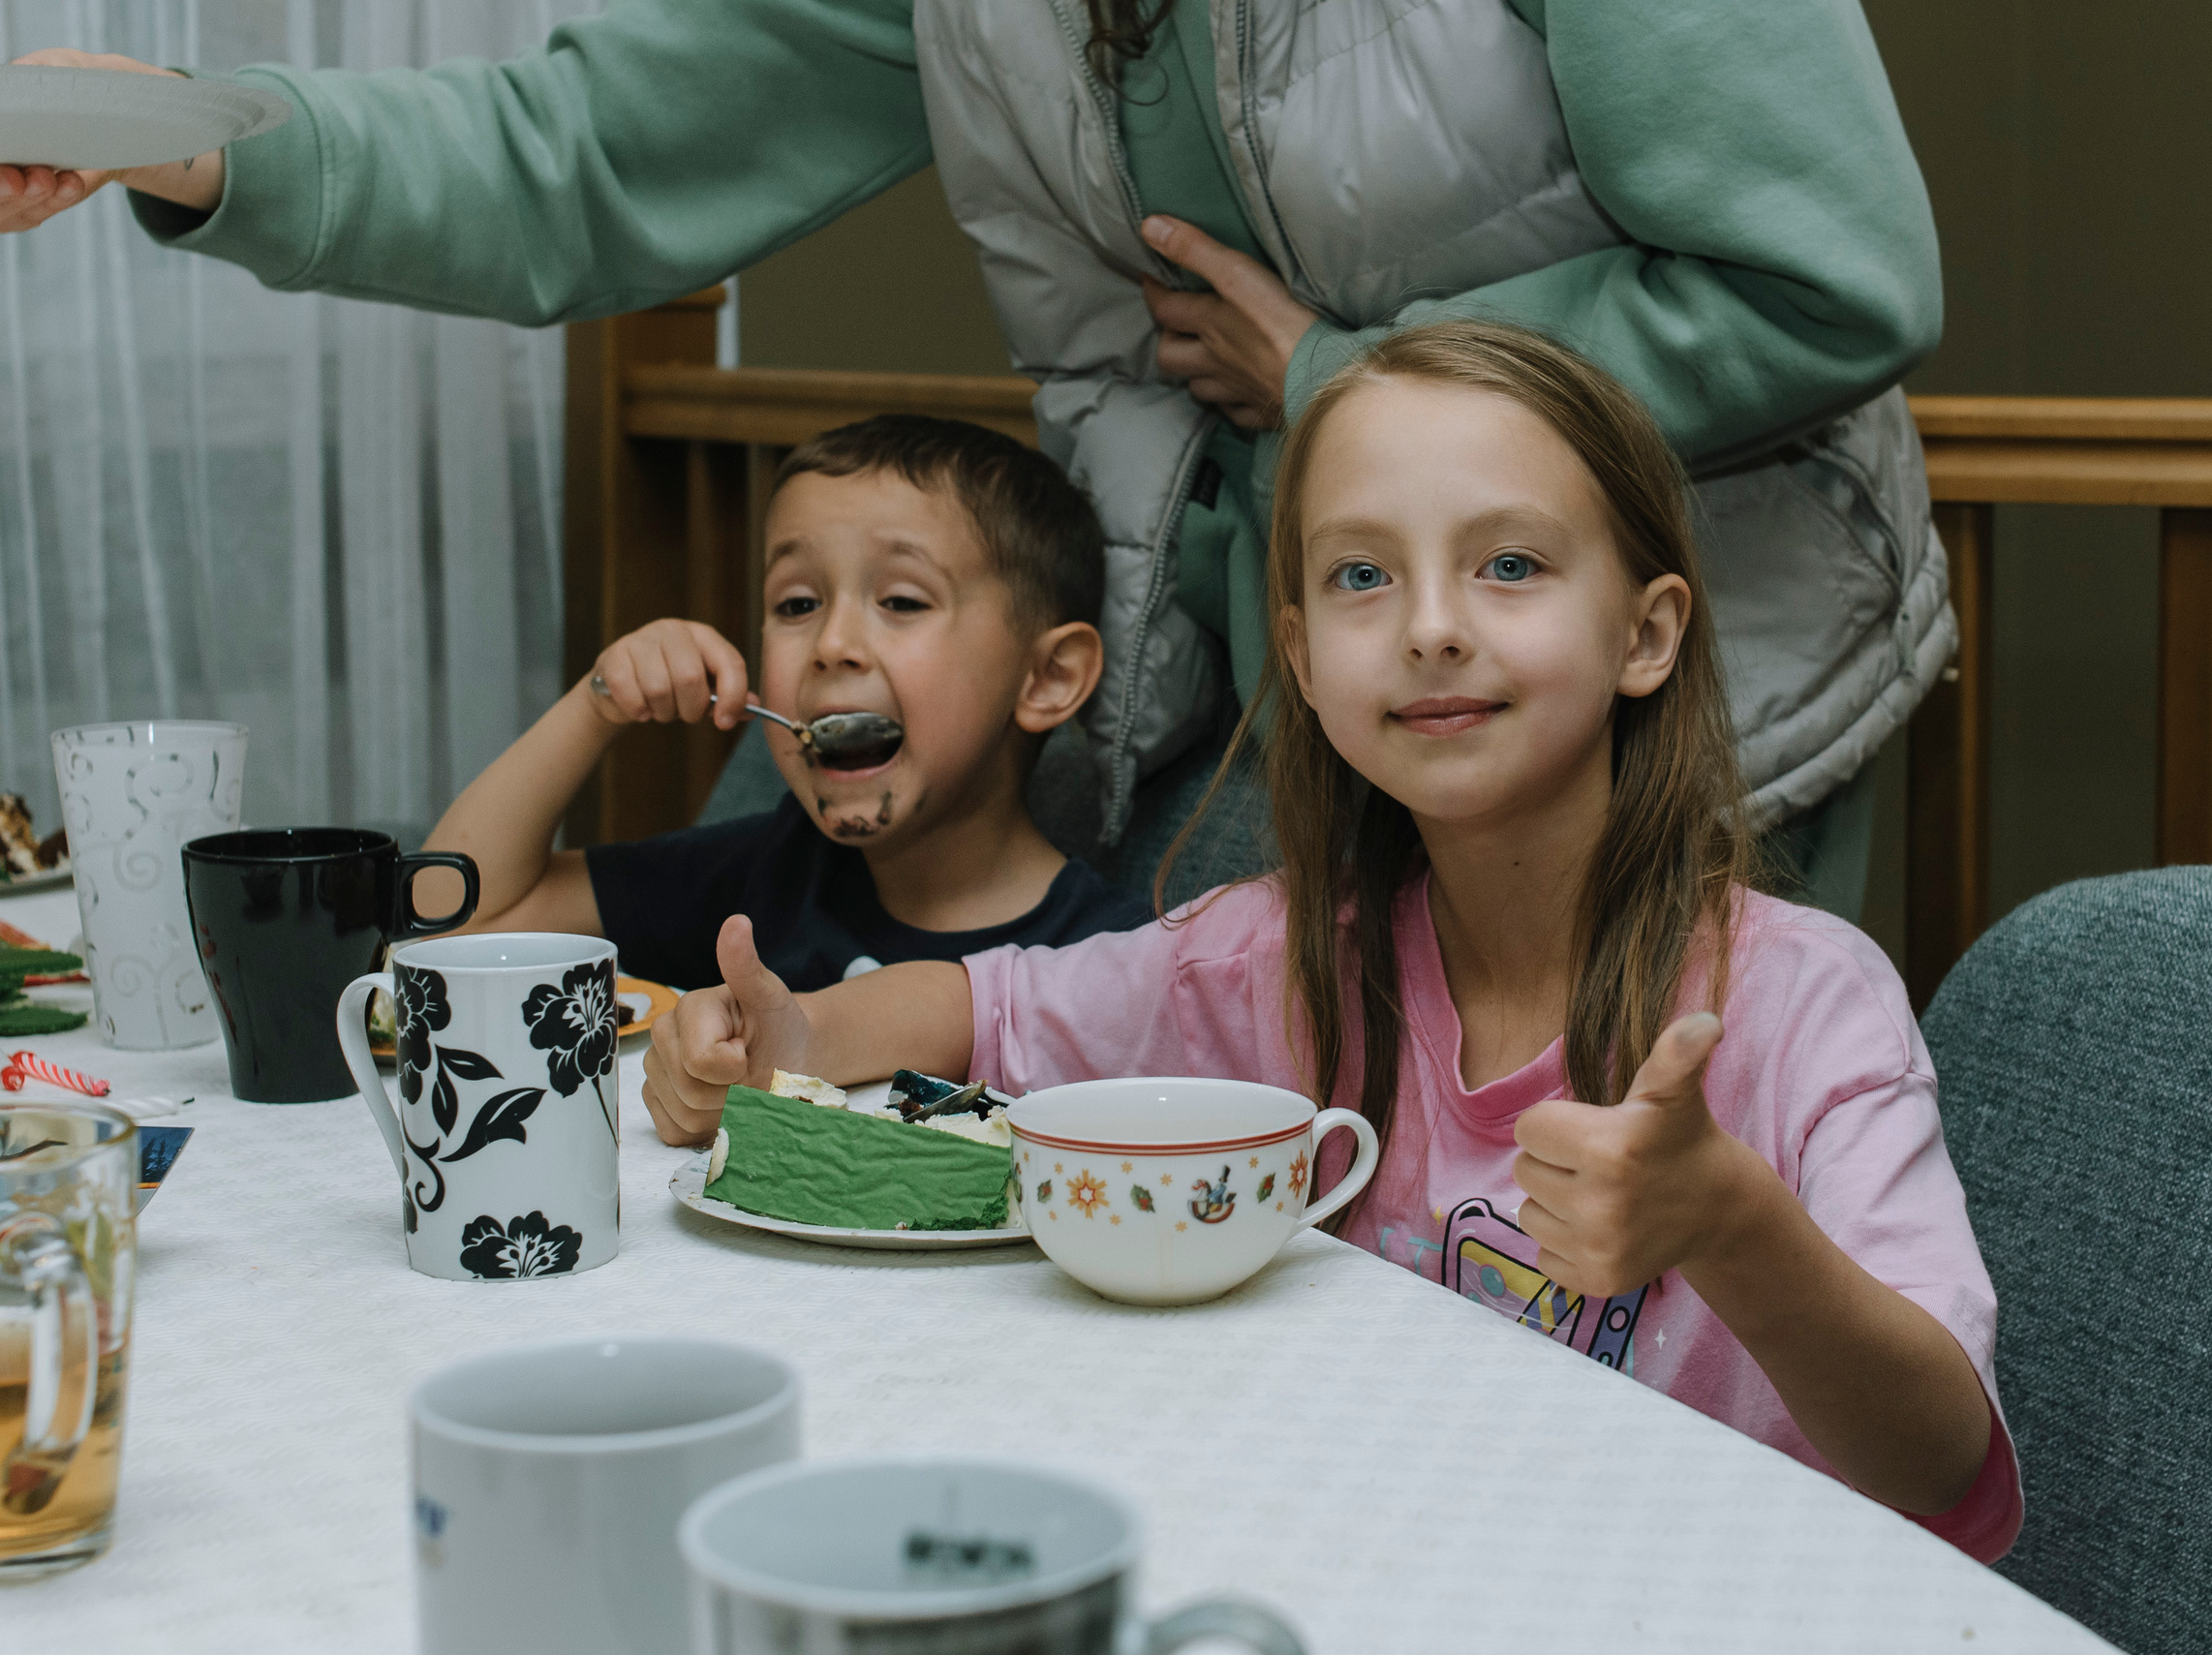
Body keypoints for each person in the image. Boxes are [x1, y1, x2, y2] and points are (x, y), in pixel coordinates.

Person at [3, 2, 1947, 919]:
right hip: (1218, 714)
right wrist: (173, 121)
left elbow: (1819, 270)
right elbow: (568, 157)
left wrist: (1344, 381)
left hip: (1619, 705)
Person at [638, 322, 2021, 1560]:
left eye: (1511, 564)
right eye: (1364, 574)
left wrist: (1730, 1221)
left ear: (1646, 634)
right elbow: (987, 1011)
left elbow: (1940, 1454)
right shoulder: (1270, 959)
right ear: (1300, 658)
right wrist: (805, 1036)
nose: (1428, 628)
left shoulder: (1804, 1002)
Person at [420, 414, 1152, 990]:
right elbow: (444, 926)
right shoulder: (761, 879)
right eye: (797, 603)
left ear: (1048, 677)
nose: (832, 643)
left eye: (900, 599)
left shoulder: (1118, 960)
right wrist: (596, 705)